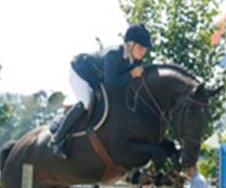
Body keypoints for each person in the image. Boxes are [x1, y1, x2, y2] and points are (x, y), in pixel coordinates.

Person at [48, 23, 153, 159]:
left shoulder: (135, 60)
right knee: (86, 102)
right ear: (130, 44)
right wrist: (131, 75)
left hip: (96, 78)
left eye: (145, 48)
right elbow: (111, 85)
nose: (143, 51)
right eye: (140, 47)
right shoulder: (113, 55)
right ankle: (57, 139)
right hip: (80, 72)